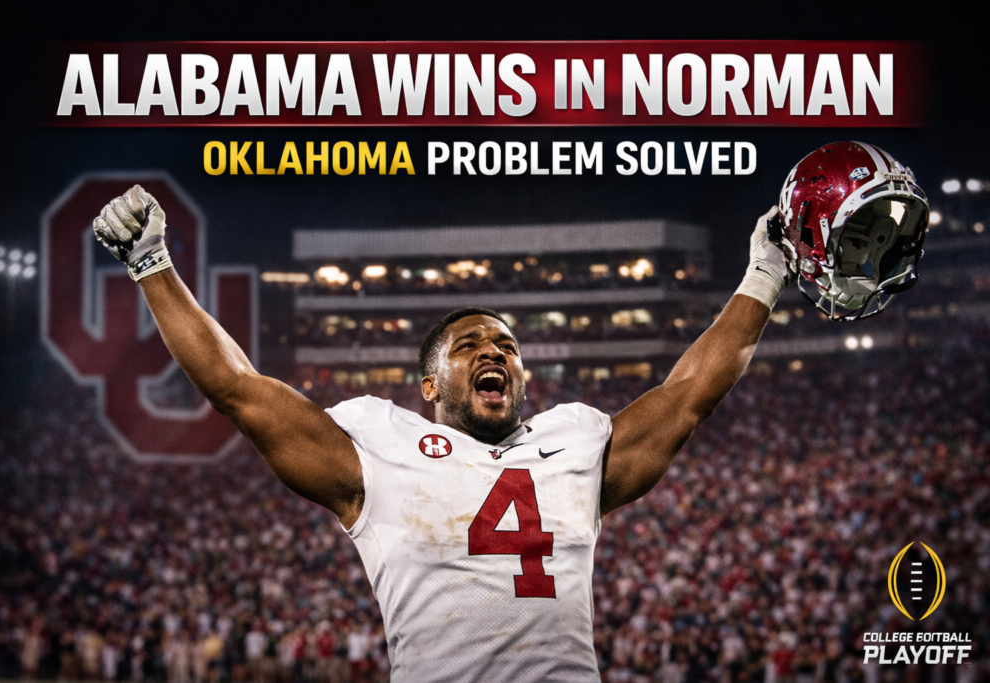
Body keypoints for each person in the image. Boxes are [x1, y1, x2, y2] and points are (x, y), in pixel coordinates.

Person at [91, 186, 790, 682]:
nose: (495, 351)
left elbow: (689, 395)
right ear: (428, 386)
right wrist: (153, 265)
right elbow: (236, 389)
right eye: (471, 344)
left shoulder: (576, 441)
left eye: (508, 345)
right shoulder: (378, 444)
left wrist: (765, 269)